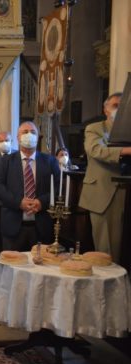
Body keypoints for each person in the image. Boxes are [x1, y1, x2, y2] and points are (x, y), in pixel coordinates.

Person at [79, 93, 131, 263]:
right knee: (108, 249)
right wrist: (127, 151)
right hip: (104, 192)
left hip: (127, 190)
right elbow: (96, 150)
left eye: (123, 106)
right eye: (115, 105)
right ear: (105, 109)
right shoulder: (95, 128)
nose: (120, 109)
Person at [0, 121, 61, 251]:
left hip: (41, 226)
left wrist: (41, 202)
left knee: (40, 263)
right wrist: (18, 202)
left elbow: (58, 187)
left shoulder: (50, 161)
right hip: (13, 226)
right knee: (12, 263)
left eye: (33, 132)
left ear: (38, 137)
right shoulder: (6, 161)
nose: (29, 135)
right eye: (25, 132)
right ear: (18, 138)